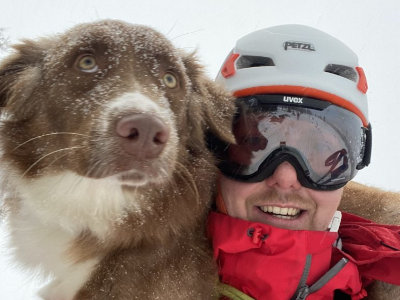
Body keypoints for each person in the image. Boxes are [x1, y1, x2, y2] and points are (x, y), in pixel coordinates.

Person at [207, 25, 400, 300]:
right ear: (211, 151)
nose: (286, 177)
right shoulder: (135, 280)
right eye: (254, 145)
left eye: (319, 150)